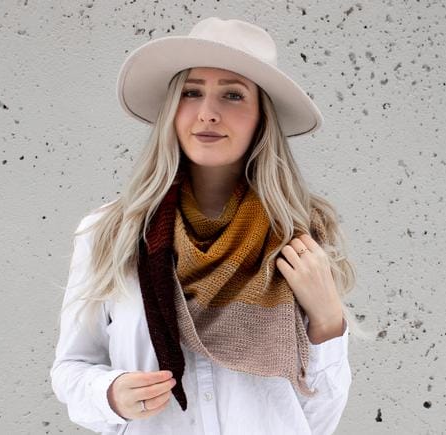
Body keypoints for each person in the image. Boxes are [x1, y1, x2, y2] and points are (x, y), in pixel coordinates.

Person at [51, 17, 358, 435]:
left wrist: (326, 320)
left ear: (261, 118)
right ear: (172, 110)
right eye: (191, 93)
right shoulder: (112, 233)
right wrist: (110, 393)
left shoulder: (301, 236)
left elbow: (318, 421)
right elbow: (72, 369)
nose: (208, 114)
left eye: (233, 95)